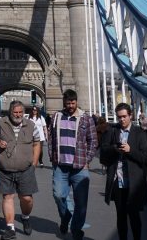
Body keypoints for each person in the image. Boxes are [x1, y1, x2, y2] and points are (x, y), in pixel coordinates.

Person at [47, 89, 99, 240]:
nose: (70, 105)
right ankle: (65, 216)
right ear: (64, 102)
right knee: (58, 195)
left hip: (79, 167)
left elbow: (93, 141)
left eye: (73, 102)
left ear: (76, 101)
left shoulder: (86, 118)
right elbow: (50, 138)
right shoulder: (57, 116)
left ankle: (76, 230)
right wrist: (52, 157)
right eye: (68, 103)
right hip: (60, 166)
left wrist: (87, 159)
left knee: (81, 203)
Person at [0, 100, 42, 239]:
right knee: (7, 197)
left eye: (20, 112)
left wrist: (35, 163)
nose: (18, 115)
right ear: (10, 112)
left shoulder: (31, 125)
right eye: (15, 112)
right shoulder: (1, 123)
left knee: (26, 198)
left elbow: (37, 143)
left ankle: (25, 217)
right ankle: (10, 228)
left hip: (25, 169)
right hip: (5, 169)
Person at [99, 103, 147, 240]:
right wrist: (114, 149)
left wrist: (130, 151)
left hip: (134, 182)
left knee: (134, 215)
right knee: (121, 216)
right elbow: (103, 151)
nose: (121, 120)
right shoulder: (112, 131)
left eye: (124, 116)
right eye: (119, 117)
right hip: (118, 181)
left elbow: (146, 157)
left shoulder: (139, 133)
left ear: (130, 116)